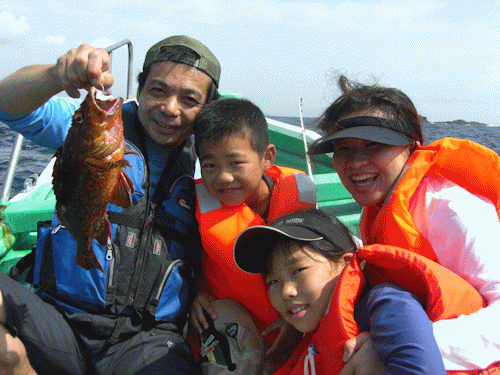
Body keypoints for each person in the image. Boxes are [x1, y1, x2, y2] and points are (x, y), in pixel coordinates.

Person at [0, 35, 221, 374]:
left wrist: (203, 289)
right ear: (141, 88)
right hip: (60, 318)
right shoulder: (89, 126)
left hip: (147, 340)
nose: (170, 108)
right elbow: (6, 104)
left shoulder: (211, 164)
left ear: (206, 109)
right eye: (158, 90)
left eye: (189, 98)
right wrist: (55, 76)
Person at [307, 75, 500, 372]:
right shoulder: (380, 204)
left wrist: (398, 346)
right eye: (343, 150)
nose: (356, 162)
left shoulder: (449, 210)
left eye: (374, 146)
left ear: (412, 147)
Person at [233, 208, 492, 375]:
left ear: (345, 264)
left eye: (298, 271)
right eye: (272, 282)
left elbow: (421, 370)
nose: (286, 291)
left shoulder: (386, 304)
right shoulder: (317, 323)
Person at [189, 98, 317, 368]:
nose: (223, 177)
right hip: (231, 318)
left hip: (291, 317)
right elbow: (191, 251)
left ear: (267, 157)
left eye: (236, 163)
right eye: (209, 165)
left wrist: (296, 323)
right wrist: (198, 292)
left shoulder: (299, 197)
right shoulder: (199, 202)